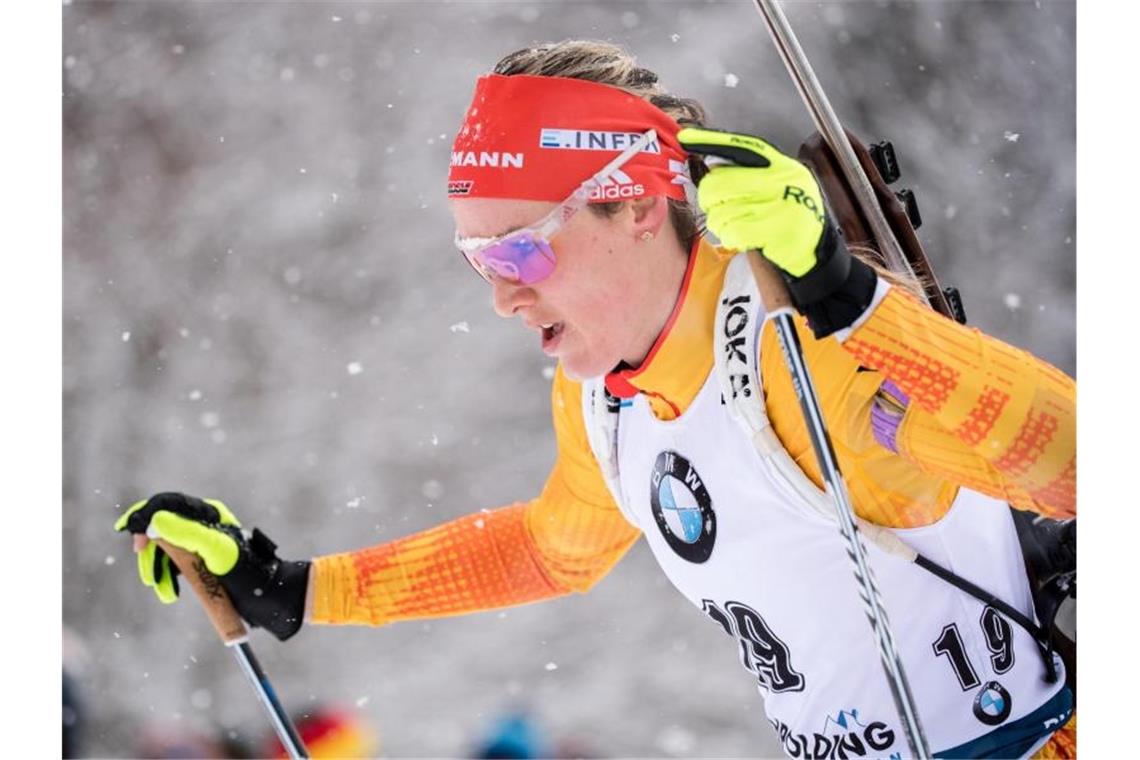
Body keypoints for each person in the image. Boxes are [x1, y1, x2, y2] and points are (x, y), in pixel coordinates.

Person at [115, 41, 1076, 759]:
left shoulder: (801, 338)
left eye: (521, 247)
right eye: (477, 260)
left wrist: (848, 300)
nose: (500, 291)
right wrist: (293, 587)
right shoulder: (604, 401)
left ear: (638, 205)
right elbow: (549, 548)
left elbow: (1084, 469)